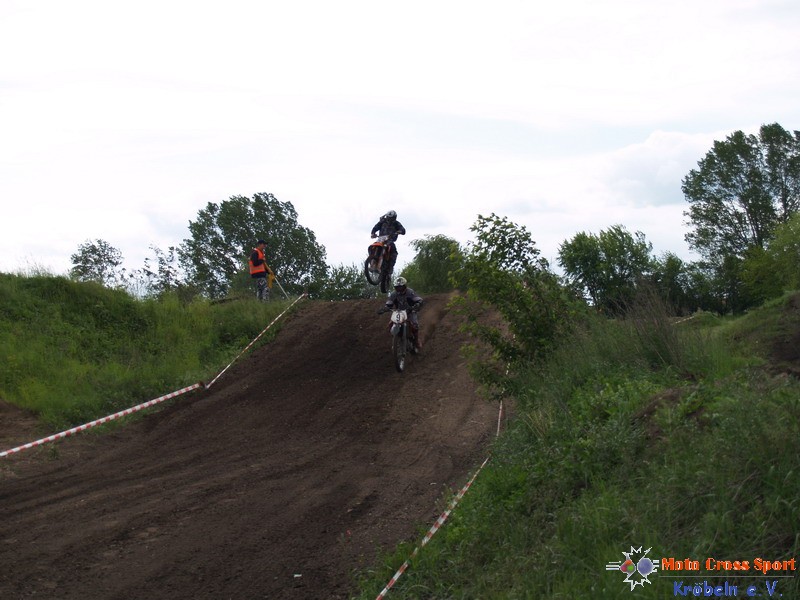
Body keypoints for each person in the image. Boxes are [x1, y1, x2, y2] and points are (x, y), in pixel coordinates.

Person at [378, 276, 424, 350]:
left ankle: (416, 340)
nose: (399, 289)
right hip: (398, 312)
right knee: (390, 324)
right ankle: (395, 339)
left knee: (415, 325)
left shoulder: (410, 292)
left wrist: (418, 303)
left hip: (410, 311)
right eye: (397, 287)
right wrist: (384, 309)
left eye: (401, 287)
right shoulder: (393, 294)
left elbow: (418, 299)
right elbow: (389, 303)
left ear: (405, 286)